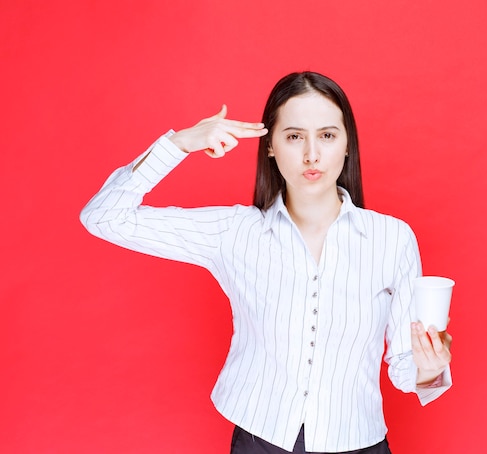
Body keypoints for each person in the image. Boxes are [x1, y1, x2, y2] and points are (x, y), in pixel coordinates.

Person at [80, 71, 452, 454]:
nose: (311, 154)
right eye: (294, 136)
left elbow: (408, 368)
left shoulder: (392, 239)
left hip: (359, 442)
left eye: (327, 135)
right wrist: (180, 143)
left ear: (346, 146)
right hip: (261, 441)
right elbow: (104, 217)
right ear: (270, 146)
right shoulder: (235, 232)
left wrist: (430, 368)